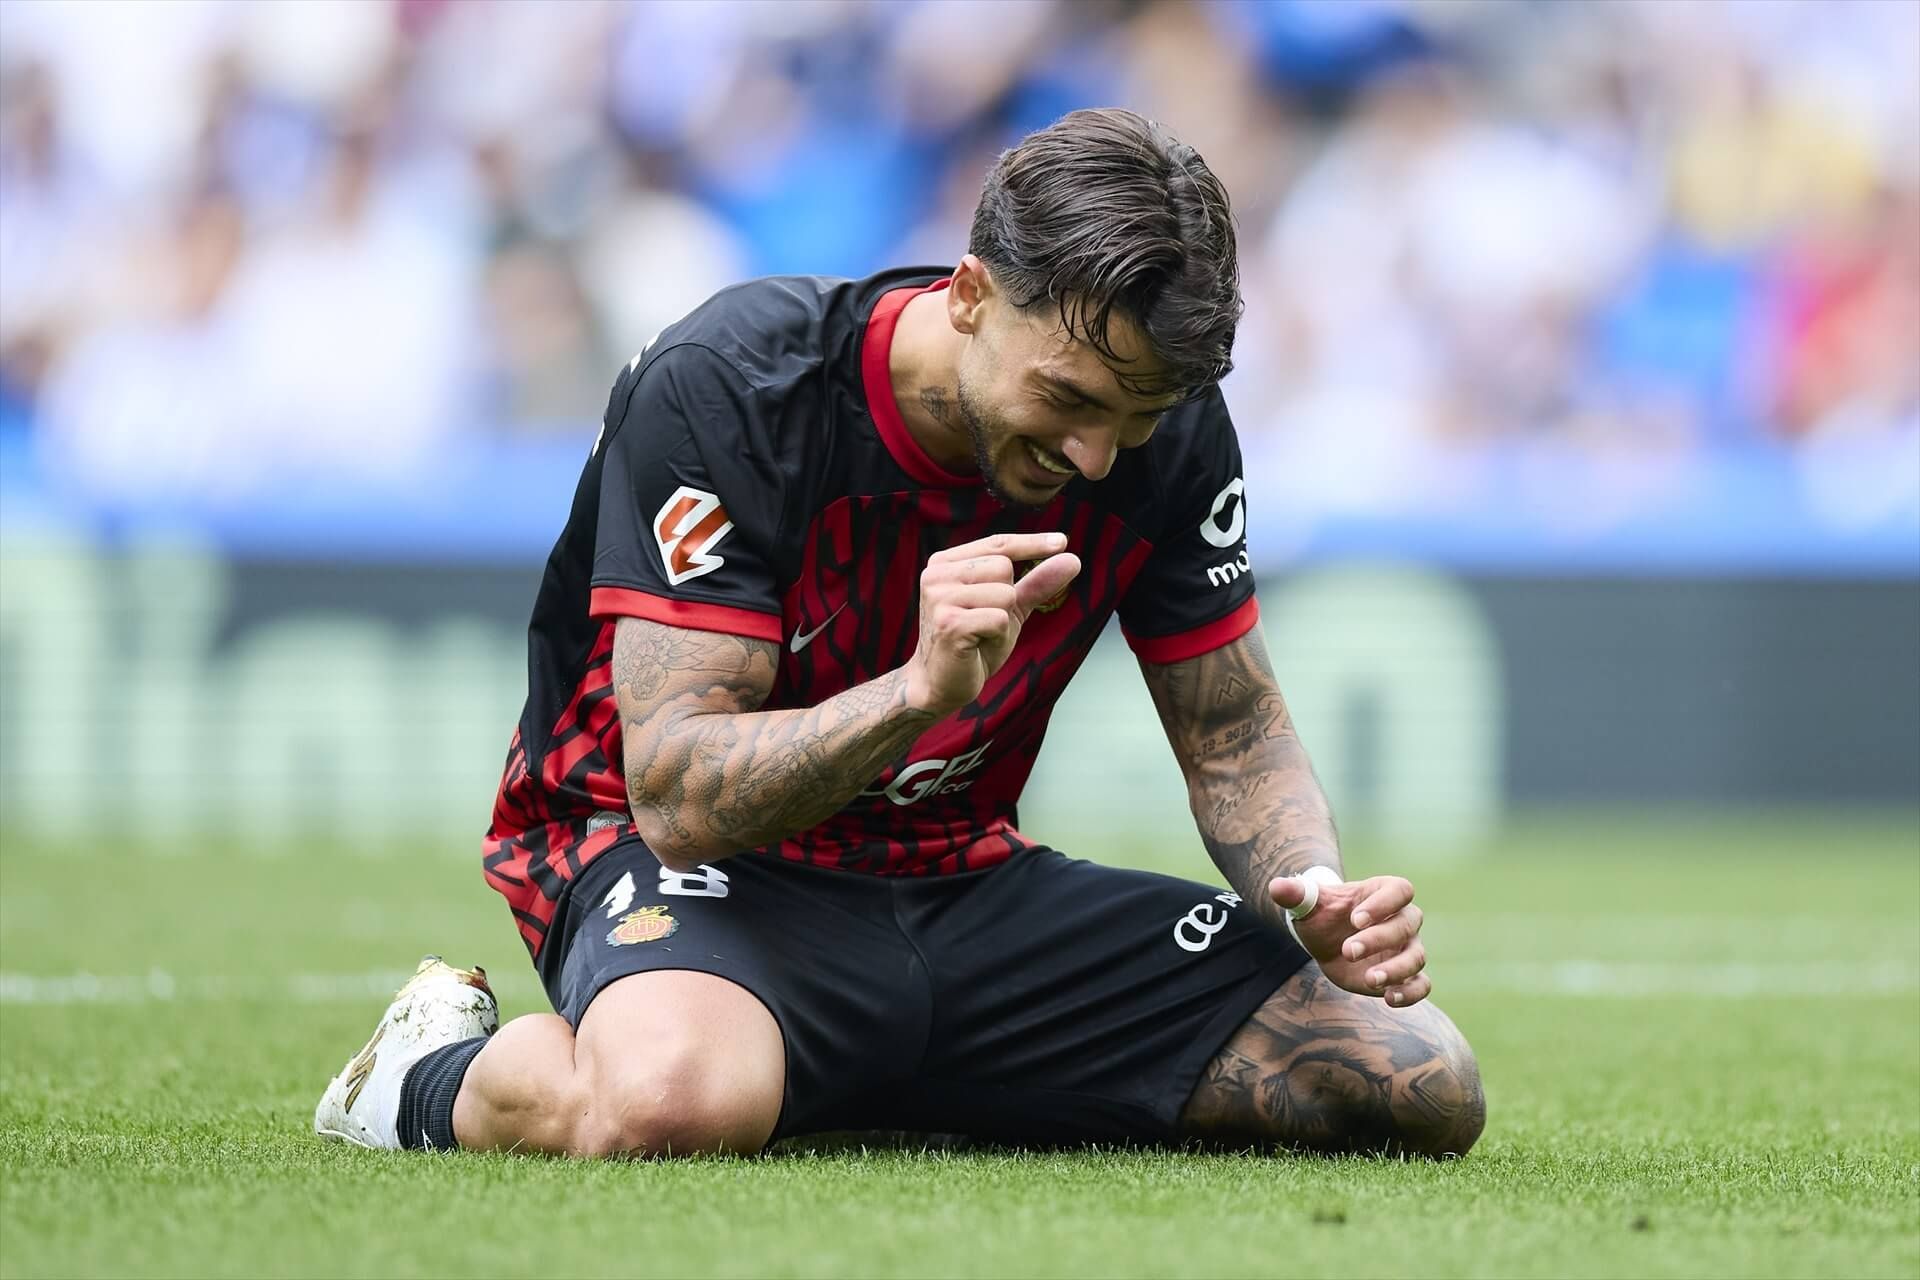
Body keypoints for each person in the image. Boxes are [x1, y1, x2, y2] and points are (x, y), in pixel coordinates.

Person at [314, 108, 1484, 1160]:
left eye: (1136, 419)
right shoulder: (733, 386)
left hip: (950, 873)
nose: (1096, 458)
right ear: (970, 295)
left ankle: (858, 1059)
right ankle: (424, 1071)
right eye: (1072, 401)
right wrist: (917, 693)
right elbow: (674, 788)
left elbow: (1233, 730)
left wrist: (1311, 888)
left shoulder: (1160, 429)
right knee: (672, 1101)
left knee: (1415, 1076)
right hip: (677, 858)